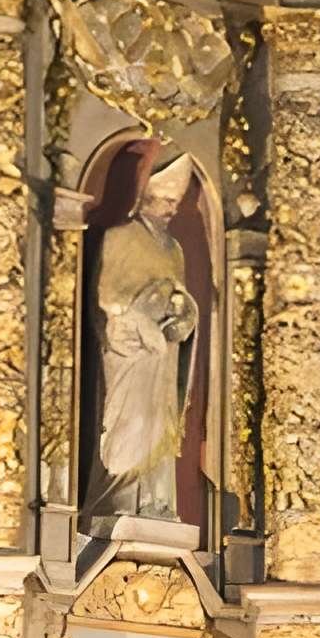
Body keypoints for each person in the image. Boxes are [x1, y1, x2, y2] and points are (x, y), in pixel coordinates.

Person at [86, 157, 201, 523]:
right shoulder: (120, 236)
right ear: (146, 195)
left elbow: (181, 297)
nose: (173, 209)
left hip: (163, 355)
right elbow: (107, 297)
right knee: (129, 425)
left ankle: (156, 501)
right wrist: (146, 307)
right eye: (166, 200)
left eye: (176, 202)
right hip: (129, 351)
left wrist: (182, 311)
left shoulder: (174, 249)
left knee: (159, 429)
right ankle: (120, 501)